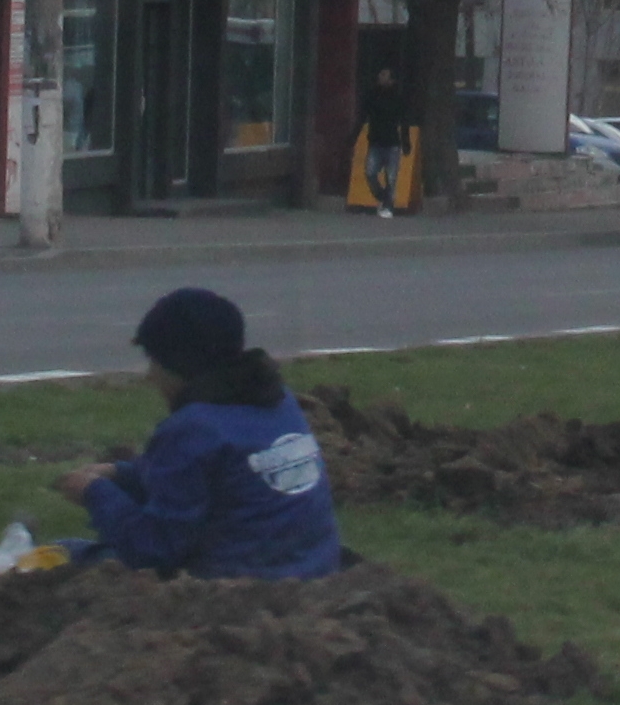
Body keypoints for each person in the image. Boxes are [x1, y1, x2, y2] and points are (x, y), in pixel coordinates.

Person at [57, 286, 343, 580]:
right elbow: (212, 480)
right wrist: (120, 474)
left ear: (177, 364)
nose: (150, 375)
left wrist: (93, 492)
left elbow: (152, 548)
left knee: (66, 555)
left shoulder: (194, 428)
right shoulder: (278, 400)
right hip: (317, 568)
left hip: (243, 589)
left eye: (153, 361)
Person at [359, 58, 409, 216]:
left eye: (384, 75)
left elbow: (404, 121)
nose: (380, 77)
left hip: (392, 143)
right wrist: (353, 137)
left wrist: (405, 141)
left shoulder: (397, 98)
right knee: (369, 173)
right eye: (380, 74)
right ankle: (382, 196)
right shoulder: (372, 95)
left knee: (392, 177)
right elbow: (362, 116)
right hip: (375, 142)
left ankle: (388, 206)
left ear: (391, 79)